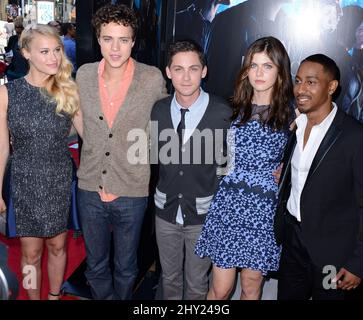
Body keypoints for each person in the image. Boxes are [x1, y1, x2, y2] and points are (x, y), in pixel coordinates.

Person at [76, 4, 166, 300]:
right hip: (89, 187)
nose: (115, 48)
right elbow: (77, 118)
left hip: (132, 189)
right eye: (108, 39)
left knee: (126, 267)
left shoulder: (151, 78)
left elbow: (168, 123)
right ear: (98, 39)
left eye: (123, 40)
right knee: (95, 265)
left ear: (134, 41)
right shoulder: (84, 75)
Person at [195, 36, 294, 300]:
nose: (259, 73)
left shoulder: (292, 117)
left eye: (267, 66)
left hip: (263, 210)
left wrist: (285, 173)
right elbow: (217, 157)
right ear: (246, 69)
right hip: (230, 204)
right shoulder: (231, 109)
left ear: (280, 71)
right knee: (221, 288)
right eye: (254, 65)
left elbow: (305, 163)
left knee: (251, 286)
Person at [0, 24, 82, 300]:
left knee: (59, 247)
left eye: (57, 50)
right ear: (26, 53)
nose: (54, 58)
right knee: (29, 253)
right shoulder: (7, 94)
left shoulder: (69, 91)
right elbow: (2, 148)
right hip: (24, 182)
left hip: (59, 179)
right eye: (44, 51)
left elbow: (92, 140)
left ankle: (54, 296)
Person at [274, 54, 363, 300]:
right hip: (293, 245)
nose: (300, 89)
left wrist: (358, 263)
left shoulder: (354, 136)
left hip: (332, 254)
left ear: (331, 87)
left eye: (311, 82)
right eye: (298, 80)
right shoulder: (296, 125)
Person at [150, 40, 232, 300]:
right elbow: (157, 159)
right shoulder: (158, 110)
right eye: (178, 69)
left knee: (197, 283)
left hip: (203, 216)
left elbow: (228, 167)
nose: (186, 77)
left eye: (193, 69)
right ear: (168, 71)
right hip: (166, 212)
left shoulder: (223, 112)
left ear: (204, 71)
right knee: (169, 279)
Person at [4, 17, 29, 81]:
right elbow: (8, 53)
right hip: (12, 73)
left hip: (26, 74)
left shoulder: (30, 39)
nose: (18, 30)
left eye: (20, 27)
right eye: (16, 27)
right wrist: (7, 58)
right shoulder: (12, 39)